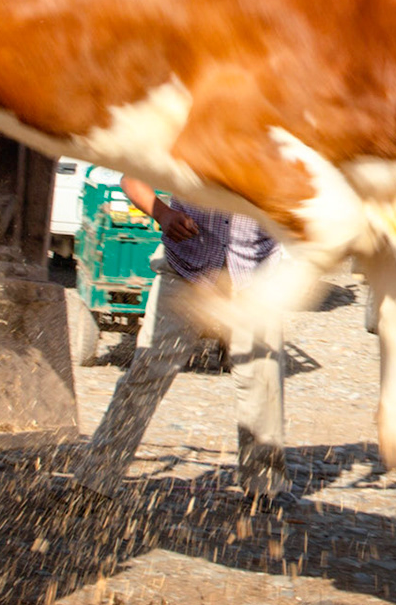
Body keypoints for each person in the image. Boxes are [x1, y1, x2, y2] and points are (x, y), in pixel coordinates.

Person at [70, 178, 290, 508]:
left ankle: (265, 487)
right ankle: (95, 481)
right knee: (146, 373)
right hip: (187, 265)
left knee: (263, 381)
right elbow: (131, 176)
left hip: (257, 273)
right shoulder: (184, 129)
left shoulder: (276, 132)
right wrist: (163, 214)